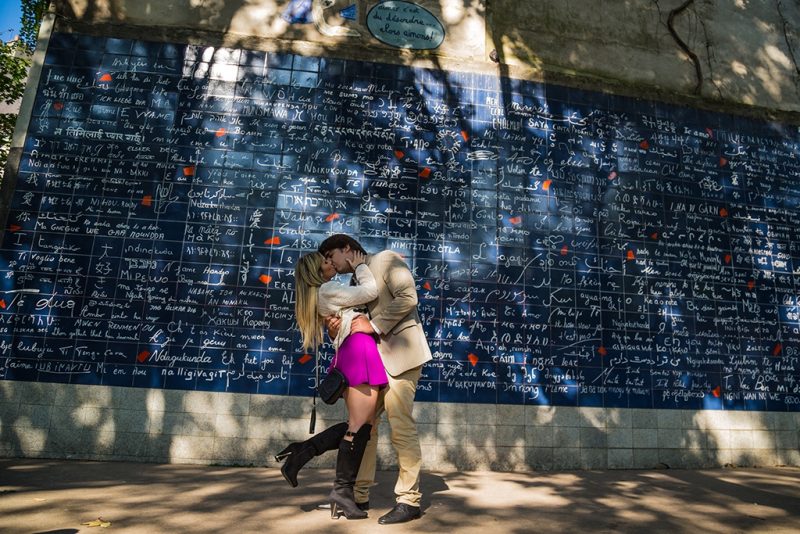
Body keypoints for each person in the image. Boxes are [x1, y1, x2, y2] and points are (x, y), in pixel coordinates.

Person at [318, 234, 432, 525]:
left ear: (347, 248)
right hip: (371, 367)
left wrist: (374, 324)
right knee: (365, 429)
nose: (330, 263)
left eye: (332, 256)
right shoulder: (356, 281)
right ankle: (358, 494)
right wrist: (334, 330)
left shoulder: (386, 260)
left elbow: (408, 298)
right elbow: (352, 328)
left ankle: (409, 500)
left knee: (400, 426)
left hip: (401, 359)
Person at [274, 251, 387, 520]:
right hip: (359, 350)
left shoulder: (325, 292)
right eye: (325, 262)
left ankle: (303, 452)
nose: (330, 264)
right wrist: (360, 266)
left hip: (356, 350)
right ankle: (341, 491)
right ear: (317, 271)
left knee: (362, 427)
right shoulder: (327, 290)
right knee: (360, 428)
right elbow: (370, 291)